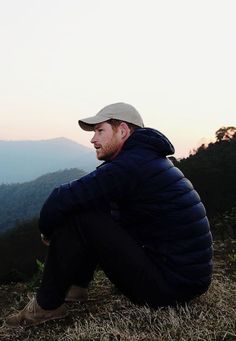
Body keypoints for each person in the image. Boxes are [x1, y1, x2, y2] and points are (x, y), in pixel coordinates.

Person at [6, 102, 213, 327]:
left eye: (100, 131)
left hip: (169, 287)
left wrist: (47, 231)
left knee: (81, 215)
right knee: (89, 207)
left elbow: (59, 197)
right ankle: (75, 287)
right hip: (185, 280)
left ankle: (46, 306)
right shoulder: (146, 160)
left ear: (123, 130)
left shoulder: (130, 166)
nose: (93, 139)